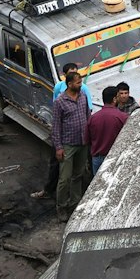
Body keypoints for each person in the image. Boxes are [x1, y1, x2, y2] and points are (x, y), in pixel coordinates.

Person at [35, 76, 91, 211]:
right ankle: (61, 207)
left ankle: (75, 204)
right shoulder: (60, 101)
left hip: (83, 143)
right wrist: (58, 148)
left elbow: (88, 116)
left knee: (78, 175)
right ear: (70, 84)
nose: (80, 85)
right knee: (64, 179)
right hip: (68, 145)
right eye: (78, 83)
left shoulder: (83, 96)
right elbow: (56, 127)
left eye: (81, 82)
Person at [86, 88, 130, 173]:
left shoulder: (93, 118)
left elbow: (87, 140)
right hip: (116, 158)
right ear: (114, 99)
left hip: (97, 159)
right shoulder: (123, 117)